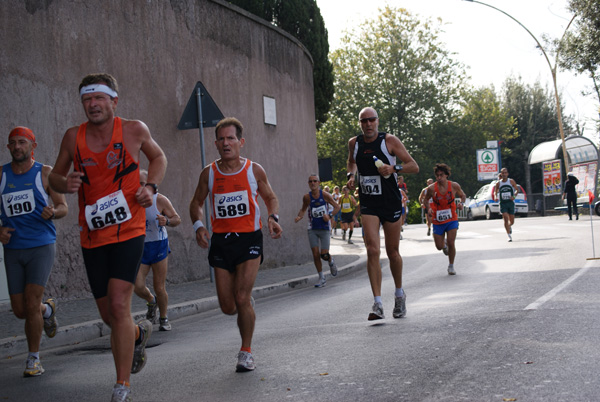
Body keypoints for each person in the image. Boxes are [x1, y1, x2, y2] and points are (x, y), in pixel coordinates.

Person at [49, 73, 167, 402]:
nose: (93, 104)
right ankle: (139, 332)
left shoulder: (134, 130)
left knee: (118, 305)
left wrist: (150, 187)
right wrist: (65, 183)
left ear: (114, 100)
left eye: (99, 98)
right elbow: (54, 178)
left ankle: (122, 385)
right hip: (92, 238)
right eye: (87, 99)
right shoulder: (74, 137)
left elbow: (159, 158)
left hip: (130, 230)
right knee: (110, 316)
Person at [189, 117, 282, 373]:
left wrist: (273, 218)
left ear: (240, 142)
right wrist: (198, 226)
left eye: (231, 138)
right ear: (216, 144)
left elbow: (270, 197)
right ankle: (245, 304)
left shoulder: (254, 170)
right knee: (229, 306)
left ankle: (246, 351)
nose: (226, 143)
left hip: (249, 240)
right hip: (221, 242)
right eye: (221, 139)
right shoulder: (208, 173)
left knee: (241, 297)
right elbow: (196, 203)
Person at [0, 127, 68, 377]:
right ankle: (47, 310)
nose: (17, 146)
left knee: (30, 302)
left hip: (41, 245)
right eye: (12, 143)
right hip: (13, 249)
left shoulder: (46, 173)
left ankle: (33, 359)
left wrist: (54, 212)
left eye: (22, 142)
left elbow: (63, 207)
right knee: (20, 310)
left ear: (32, 146)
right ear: (8, 148)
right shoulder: (1, 175)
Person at [346, 107, 419, 321]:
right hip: (369, 202)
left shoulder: (390, 141)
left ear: (377, 121)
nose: (368, 124)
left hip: (390, 201)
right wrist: (351, 176)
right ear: (360, 123)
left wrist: (393, 169)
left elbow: (413, 166)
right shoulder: (354, 143)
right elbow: (351, 161)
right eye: (363, 121)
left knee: (393, 252)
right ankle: (377, 303)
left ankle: (399, 294)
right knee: (371, 250)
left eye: (371, 120)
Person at [134, 169, 181, 331]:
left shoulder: (159, 200)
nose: (139, 188)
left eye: (142, 184)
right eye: (136, 184)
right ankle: (151, 301)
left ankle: (163, 317)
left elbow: (177, 219)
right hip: (141, 247)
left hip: (159, 245)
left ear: (150, 185)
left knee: (159, 286)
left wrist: (166, 220)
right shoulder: (131, 201)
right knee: (137, 285)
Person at [295, 175, 340, 287]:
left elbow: (337, 207)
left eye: (315, 181)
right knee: (315, 254)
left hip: (324, 227)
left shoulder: (325, 195)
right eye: (310, 181)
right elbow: (303, 209)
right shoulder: (306, 197)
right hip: (312, 228)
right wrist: (299, 216)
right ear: (308, 183)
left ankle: (331, 261)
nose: (313, 183)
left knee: (323, 254)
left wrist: (329, 216)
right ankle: (321, 277)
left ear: (319, 183)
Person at [423, 164, 466, 275]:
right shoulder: (431, 188)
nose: (439, 178)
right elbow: (425, 200)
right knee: (438, 246)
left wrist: (461, 203)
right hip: (437, 220)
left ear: (446, 175)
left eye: (441, 175)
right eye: (437, 175)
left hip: (451, 218)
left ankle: (451, 266)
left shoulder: (454, 186)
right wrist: (429, 209)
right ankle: (444, 245)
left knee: (452, 242)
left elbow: (463, 196)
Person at [494, 167, 518, 242]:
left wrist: (514, 196)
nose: (504, 174)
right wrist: (495, 196)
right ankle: (508, 235)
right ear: (501, 174)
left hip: (510, 203)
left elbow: (517, 190)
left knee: (512, 221)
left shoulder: (511, 181)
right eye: (503, 173)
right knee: (505, 217)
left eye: (505, 173)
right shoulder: (498, 183)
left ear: (507, 174)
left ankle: (509, 226)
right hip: (503, 203)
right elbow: (495, 191)